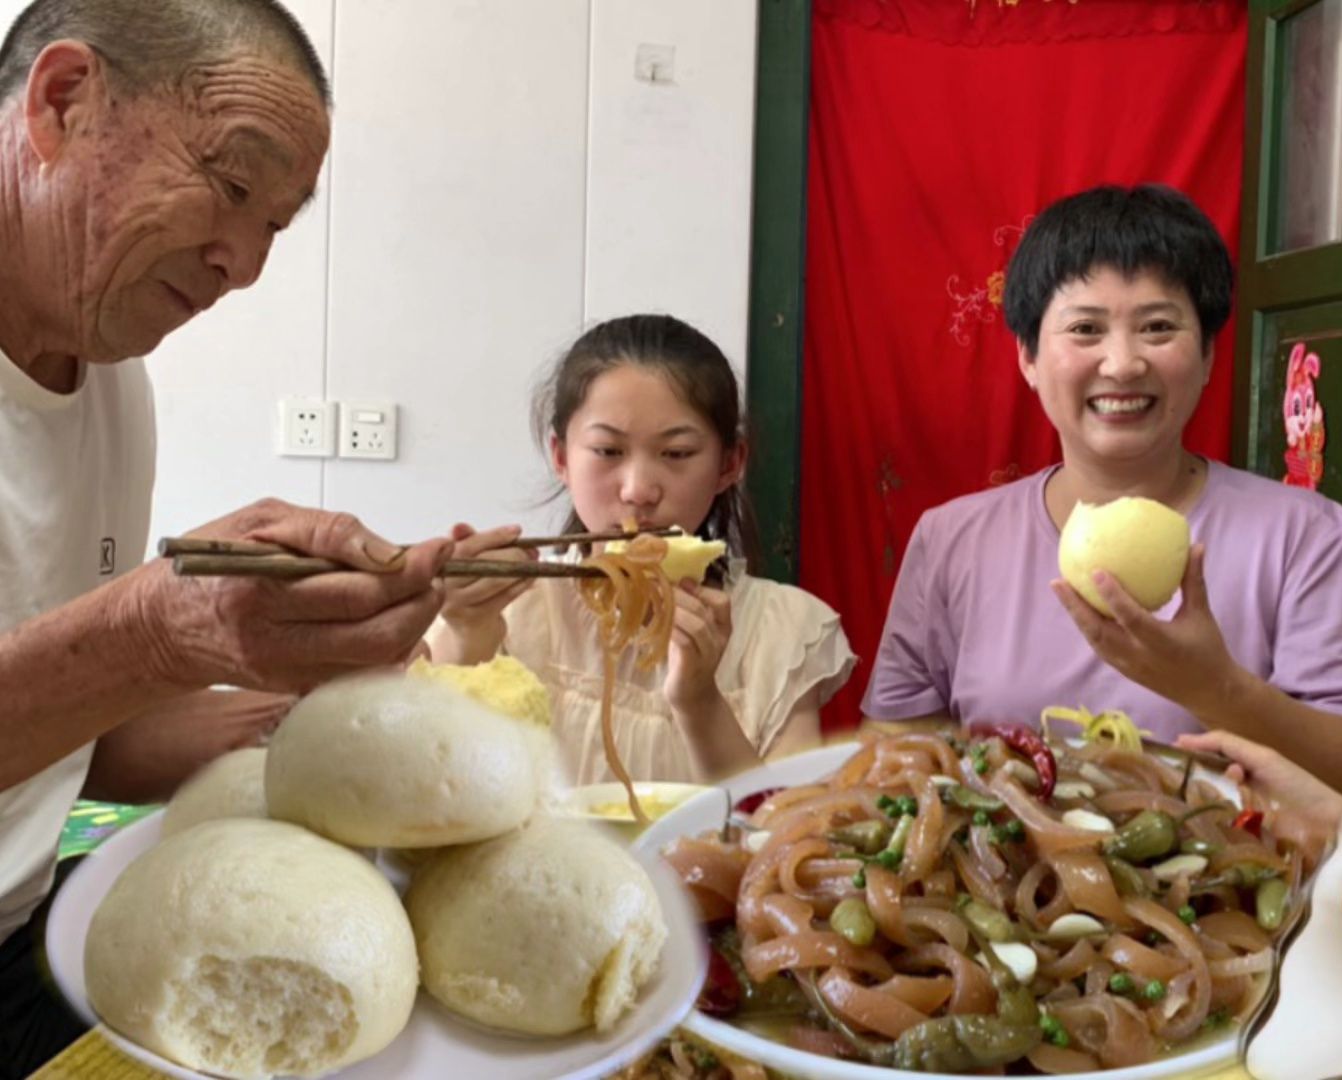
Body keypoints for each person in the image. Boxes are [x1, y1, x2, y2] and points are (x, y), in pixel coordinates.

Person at [0, 3, 451, 1074]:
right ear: (63, 103)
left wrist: (292, 711)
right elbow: (119, 655)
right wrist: (159, 634)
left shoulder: (115, 383)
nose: (243, 265)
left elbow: (57, 756)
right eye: (233, 187)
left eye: (276, 228)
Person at [863, 184, 1342, 794]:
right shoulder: (951, 540)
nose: (1122, 363)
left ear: (1206, 355)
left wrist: (1216, 689)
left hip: (1241, 879)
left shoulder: (1307, 536)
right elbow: (892, 765)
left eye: (1156, 326)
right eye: (1085, 329)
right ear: (1027, 357)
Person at [429, 314, 856, 792]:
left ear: (729, 464)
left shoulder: (784, 630)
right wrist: (466, 632)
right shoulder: (508, 605)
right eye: (608, 451)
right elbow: (422, 787)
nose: (638, 491)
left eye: (676, 454)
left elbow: (783, 838)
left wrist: (700, 702)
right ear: (562, 457)